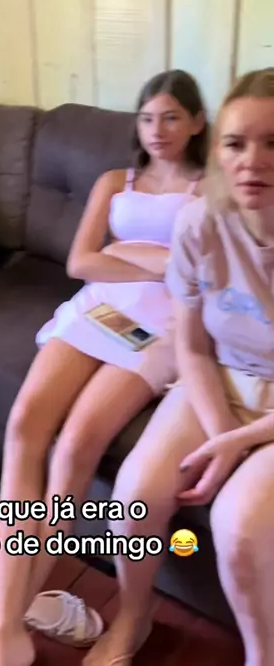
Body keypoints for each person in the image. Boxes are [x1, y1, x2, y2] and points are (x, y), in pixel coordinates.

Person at [0, 70, 208, 666]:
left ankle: (13, 609)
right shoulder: (113, 181)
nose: (157, 130)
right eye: (147, 118)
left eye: (171, 117)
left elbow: (195, 274)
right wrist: (154, 261)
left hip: (162, 322)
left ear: (197, 122)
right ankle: (6, 629)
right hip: (99, 306)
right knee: (25, 424)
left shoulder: (210, 186)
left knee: (77, 443)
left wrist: (127, 255)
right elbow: (81, 262)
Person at [86, 67, 274, 666]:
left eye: (273, 143)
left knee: (239, 527)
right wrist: (222, 434)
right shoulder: (199, 223)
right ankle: (133, 617)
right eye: (236, 143)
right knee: (134, 497)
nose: (252, 161)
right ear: (217, 148)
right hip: (219, 376)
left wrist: (240, 443)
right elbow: (192, 347)